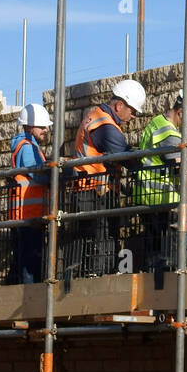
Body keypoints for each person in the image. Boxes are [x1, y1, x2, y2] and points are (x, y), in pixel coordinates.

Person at [71, 78, 145, 273]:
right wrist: (146, 161)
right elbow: (125, 156)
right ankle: (98, 279)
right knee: (102, 239)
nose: (134, 116)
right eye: (133, 111)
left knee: (95, 240)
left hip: (89, 188)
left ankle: (93, 275)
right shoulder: (106, 125)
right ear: (120, 105)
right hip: (93, 191)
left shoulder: (96, 116)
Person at [133, 87, 187, 269]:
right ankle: (182, 267)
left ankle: (157, 277)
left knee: (155, 252)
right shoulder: (171, 136)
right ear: (182, 112)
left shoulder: (156, 122)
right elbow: (186, 178)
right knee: (182, 223)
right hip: (162, 198)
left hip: (146, 196)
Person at [9, 103, 66, 285]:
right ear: (28, 126)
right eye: (41, 126)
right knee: (29, 266)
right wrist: (59, 173)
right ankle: (30, 305)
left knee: (27, 262)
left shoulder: (30, 146)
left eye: (45, 126)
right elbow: (40, 177)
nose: (45, 130)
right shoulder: (27, 148)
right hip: (28, 215)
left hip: (29, 214)